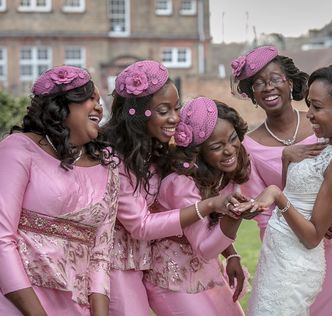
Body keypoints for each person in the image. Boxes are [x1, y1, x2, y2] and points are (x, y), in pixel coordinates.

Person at [231, 46, 332, 315]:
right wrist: (283, 253)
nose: (268, 87)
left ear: (290, 82)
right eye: (258, 83)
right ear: (250, 93)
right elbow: (264, 212)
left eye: (274, 79)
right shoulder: (248, 146)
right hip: (294, 250)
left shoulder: (323, 123)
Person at [102, 61, 247, 316]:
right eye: (163, 110)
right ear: (138, 113)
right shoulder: (115, 158)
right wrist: (207, 206)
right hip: (116, 260)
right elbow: (141, 225)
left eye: (176, 108)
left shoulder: (154, 149)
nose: (174, 118)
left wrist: (231, 253)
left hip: (149, 258)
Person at [0, 65, 117, 315]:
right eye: (90, 98)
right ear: (62, 105)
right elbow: (2, 237)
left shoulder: (107, 167)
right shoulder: (18, 149)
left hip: (77, 307)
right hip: (17, 302)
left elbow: (101, 256)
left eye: (100, 101)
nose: (99, 106)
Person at [143, 97, 257, 316]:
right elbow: (205, 247)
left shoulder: (224, 170)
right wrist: (235, 216)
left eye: (233, 138)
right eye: (217, 146)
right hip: (171, 276)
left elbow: (211, 227)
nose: (229, 150)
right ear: (198, 153)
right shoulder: (180, 183)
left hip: (205, 268)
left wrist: (232, 255)